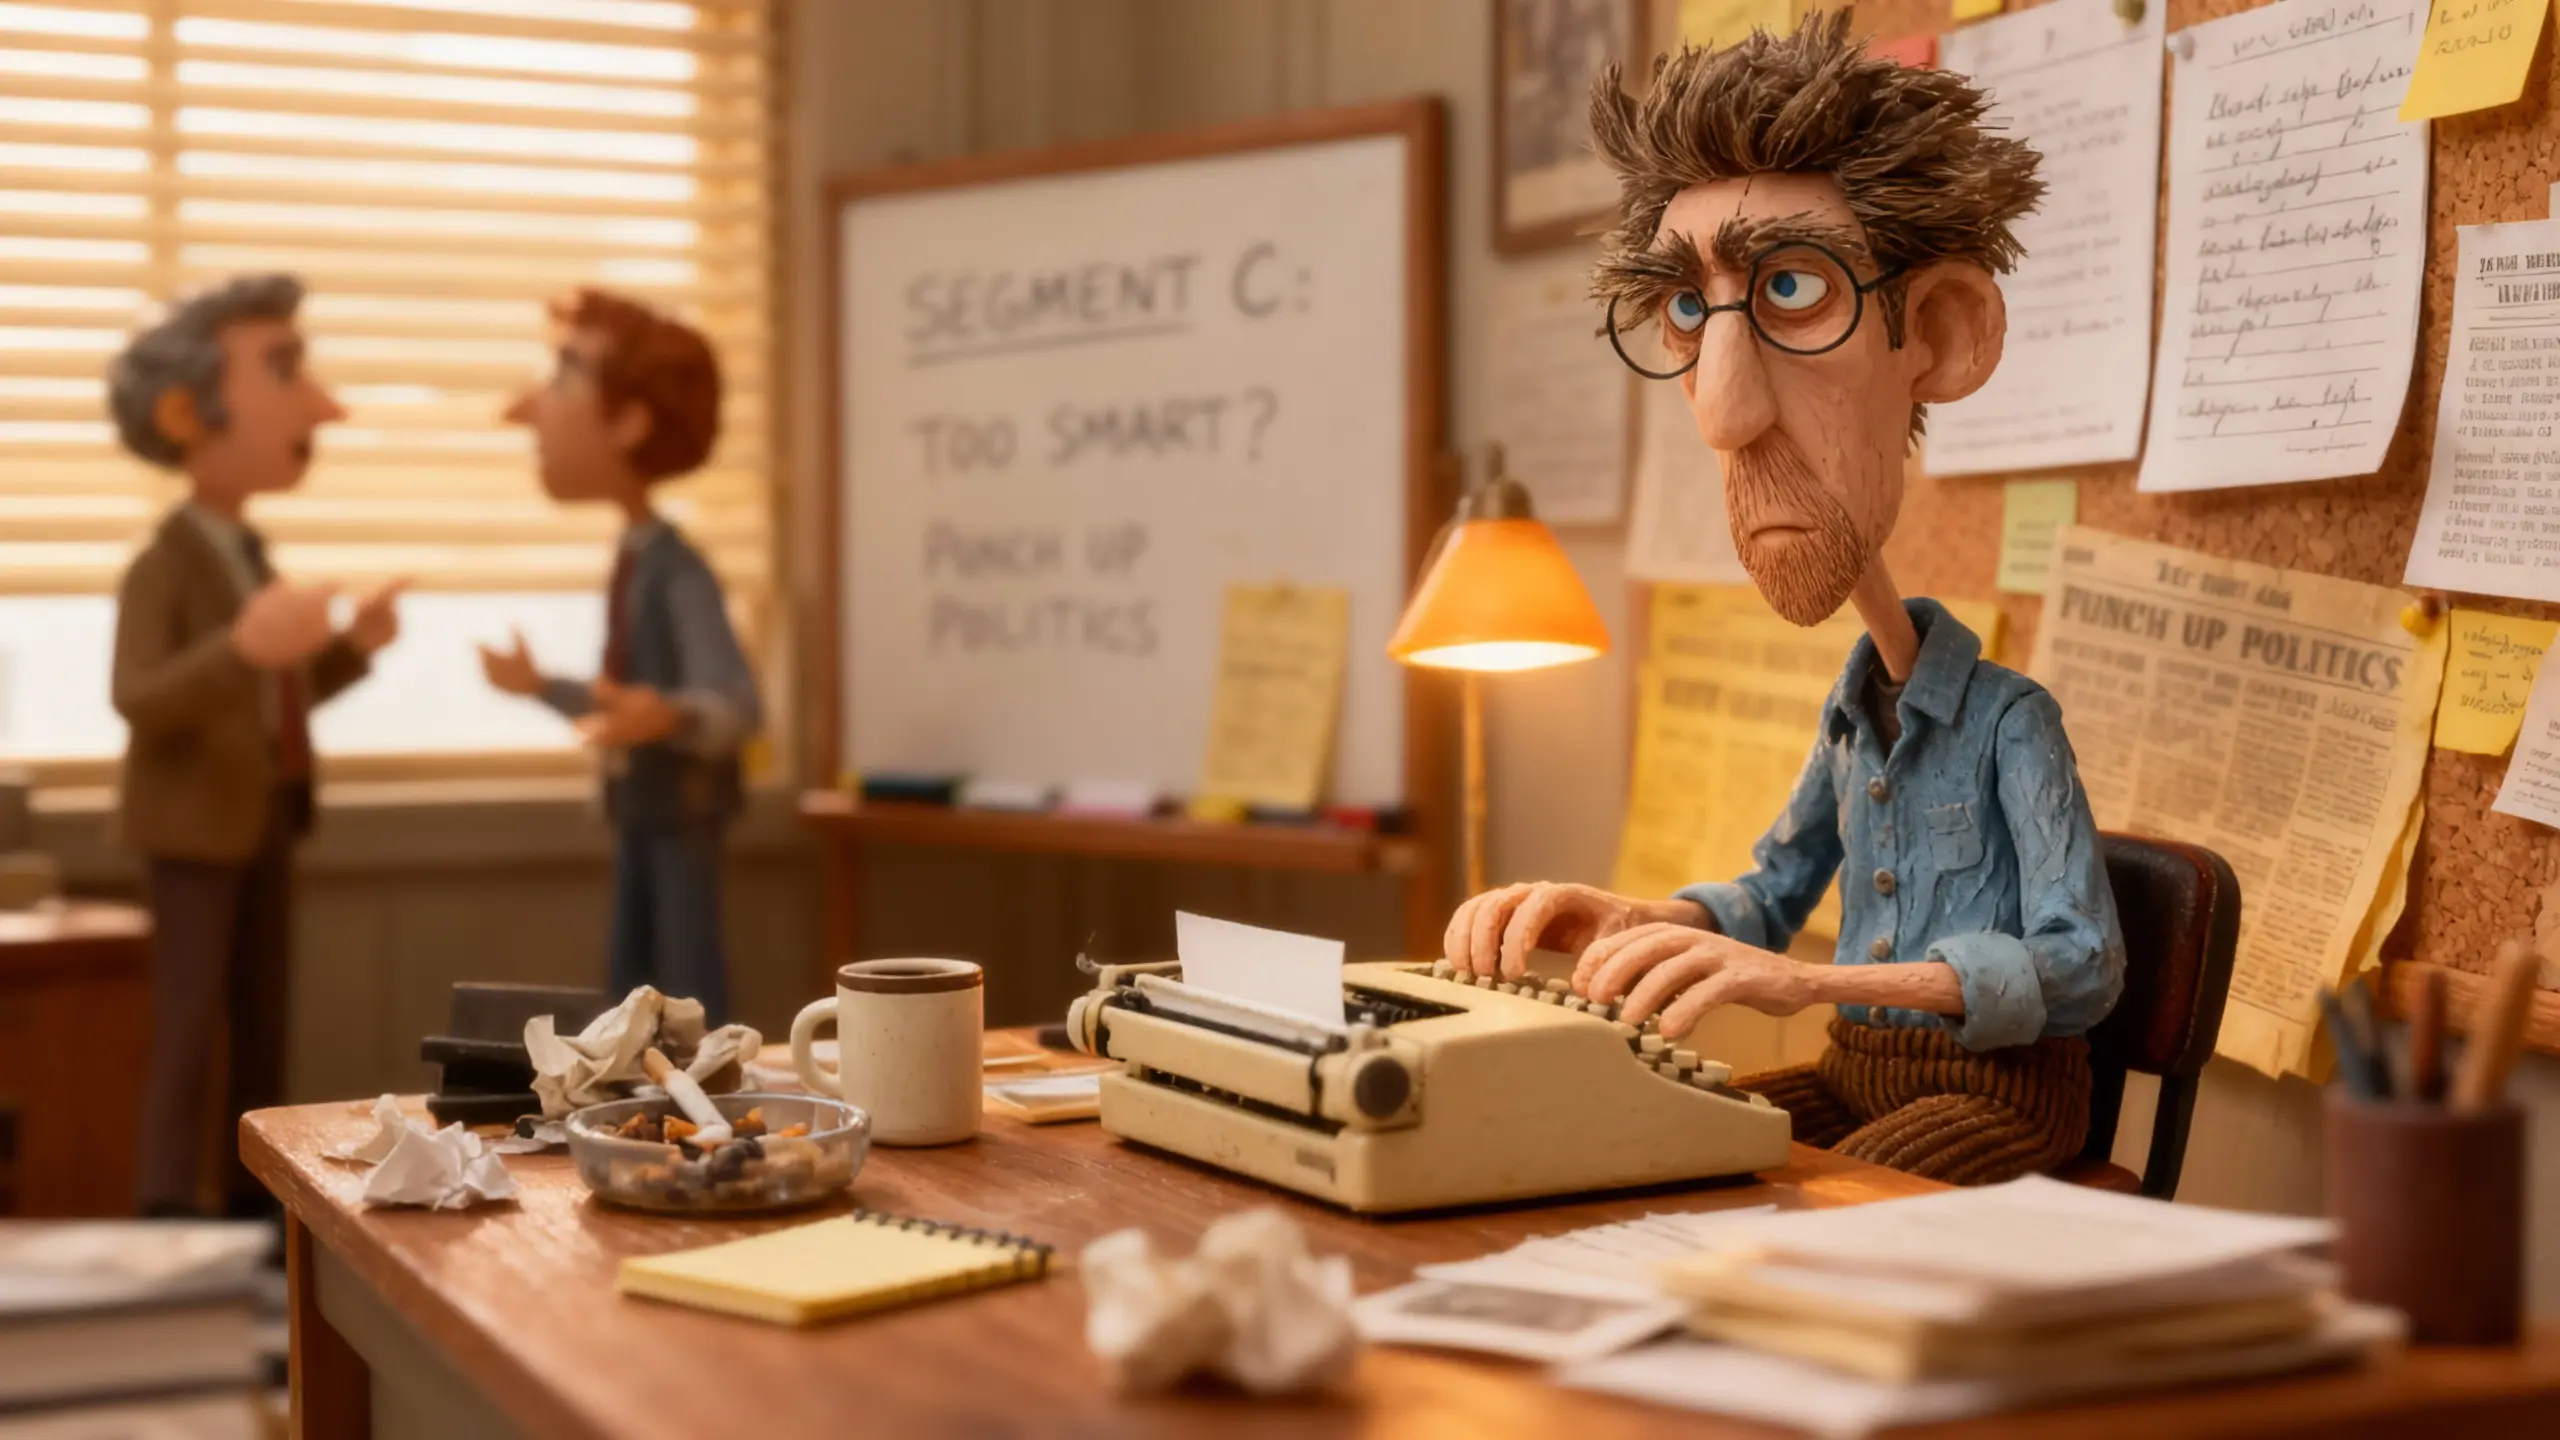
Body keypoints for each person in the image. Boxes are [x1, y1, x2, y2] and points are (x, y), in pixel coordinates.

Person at [1443, 15, 2125, 1186]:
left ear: (1939, 334)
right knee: (1647, 1154)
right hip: (1855, 1067)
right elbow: (1769, 896)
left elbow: (2080, 966)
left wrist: (1807, 983)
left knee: (1826, 1213)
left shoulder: (2011, 723)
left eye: (1792, 287)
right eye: (1688, 309)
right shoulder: (1853, 715)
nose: (1723, 413)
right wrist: (1624, 917)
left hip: (1996, 1090)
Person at [107, 273, 405, 1217]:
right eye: (281, 370)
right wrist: (240, 647)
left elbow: (275, 696)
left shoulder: (252, 558)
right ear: (186, 410)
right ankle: (165, 1208)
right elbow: (141, 697)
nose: (319, 404)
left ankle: (253, 1204)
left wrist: (349, 649)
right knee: (189, 1027)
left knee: (265, 1024)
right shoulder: (162, 568)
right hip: (194, 833)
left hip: (270, 814)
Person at [478, 289, 758, 1022]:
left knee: (686, 983)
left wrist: (670, 716)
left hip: (680, 814)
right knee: (628, 982)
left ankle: (706, 1087)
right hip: (637, 806)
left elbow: (736, 704)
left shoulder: (678, 570)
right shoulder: (634, 559)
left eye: (564, 375)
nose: (526, 409)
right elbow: (617, 704)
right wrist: (540, 686)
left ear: (631, 420)